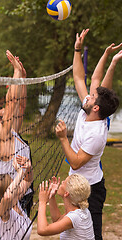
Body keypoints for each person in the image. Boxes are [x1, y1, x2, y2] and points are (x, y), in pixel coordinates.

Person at [55, 29, 122, 240]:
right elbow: (80, 77)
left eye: (92, 97)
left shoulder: (97, 134)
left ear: (96, 108)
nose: (88, 96)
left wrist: (64, 138)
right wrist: (106, 58)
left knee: (92, 236)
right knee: (72, 232)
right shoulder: (91, 111)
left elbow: (75, 162)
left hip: (89, 190)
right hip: (77, 184)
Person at [0, 51, 33, 217]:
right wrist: (15, 72)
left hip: (23, 193)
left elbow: (20, 105)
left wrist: (22, 78)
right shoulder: (0, 140)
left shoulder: (11, 133)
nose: (2, 119)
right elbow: (11, 103)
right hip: (10, 199)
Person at [37, 174, 95, 239]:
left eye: (64, 182)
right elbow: (57, 220)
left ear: (66, 193)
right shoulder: (81, 210)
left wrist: (42, 202)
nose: (61, 182)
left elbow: (42, 230)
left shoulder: (74, 217)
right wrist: (52, 196)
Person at [0, 155, 33, 240]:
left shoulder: (16, 201)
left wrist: (28, 168)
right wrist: (20, 172)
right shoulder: (3, 211)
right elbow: (8, 197)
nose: (18, 185)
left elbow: (28, 180)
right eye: (14, 184)